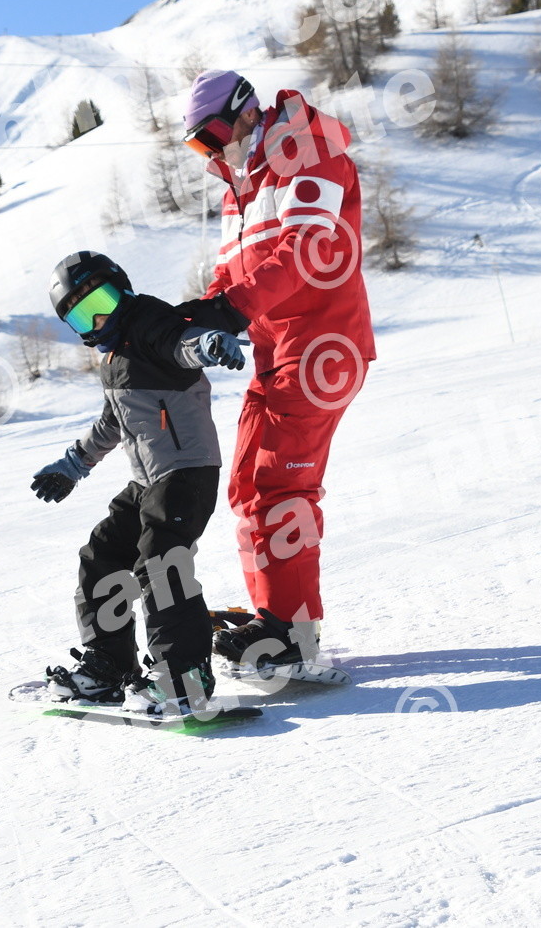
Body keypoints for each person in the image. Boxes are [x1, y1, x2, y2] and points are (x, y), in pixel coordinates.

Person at [175, 70, 376, 672]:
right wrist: (192, 321)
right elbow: (230, 275)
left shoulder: (308, 153)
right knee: (248, 483)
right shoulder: (240, 186)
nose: (212, 153)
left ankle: (291, 635)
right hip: (277, 353)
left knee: (280, 486)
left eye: (212, 137)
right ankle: (277, 618)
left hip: (322, 347)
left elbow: (305, 249)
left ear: (245, 111)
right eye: (198, 146)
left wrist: (231, 309)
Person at [30, 251, 247, 716]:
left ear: (123, 289)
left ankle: (184, 677)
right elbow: (112, 421)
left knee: (160, 560)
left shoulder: (149, 322)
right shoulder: (113, 358)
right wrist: (73, 464)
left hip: (187, 471)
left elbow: (181, 342)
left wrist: (209, 343)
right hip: (147, 480)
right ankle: (109, 666)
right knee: (102, 553)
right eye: (83, 315)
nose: (99, 319)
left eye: (102, 302)